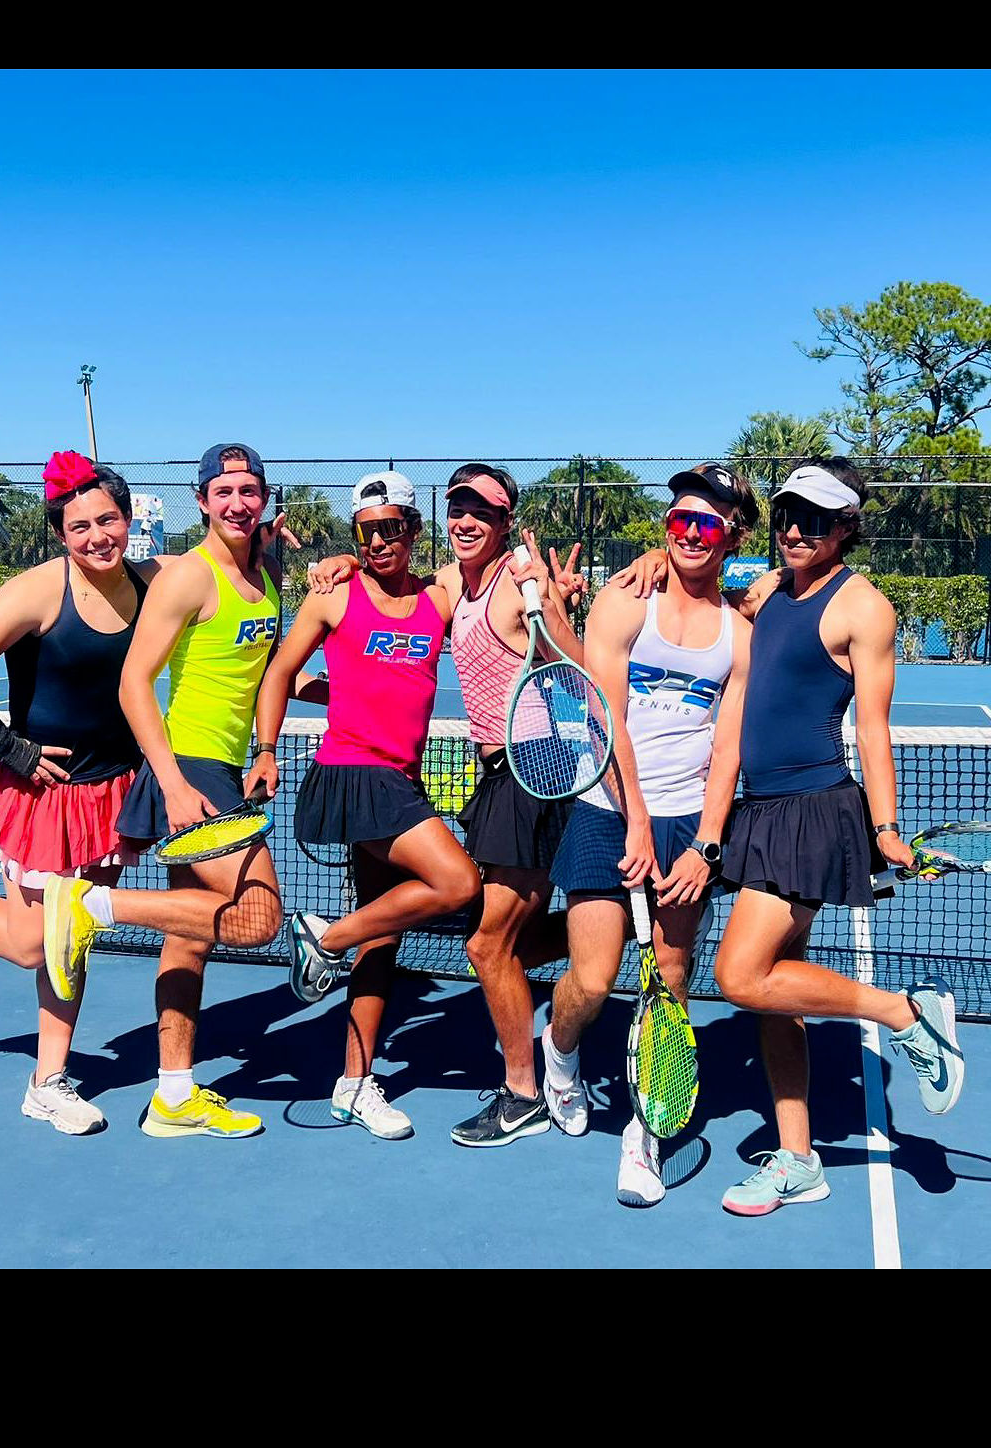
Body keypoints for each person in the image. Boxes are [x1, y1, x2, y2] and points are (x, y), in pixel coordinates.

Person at [40, 442, 320, 1142]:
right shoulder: (188, 579)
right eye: (222, 491)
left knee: (186, 943)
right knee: (259, 920)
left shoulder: (267, 570)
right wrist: (171, 784)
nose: (237, 502)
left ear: (264, 498)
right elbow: (135, 683)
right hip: (188, 768)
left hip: (226, 767)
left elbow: (257, 670)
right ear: (201, 500)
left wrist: (268, 742)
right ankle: (88, 905)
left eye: (248, 490)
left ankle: (173, 1096)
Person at [309, 462, 587, 1148]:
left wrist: (556, 610)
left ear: (505, 522)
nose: (467, 520)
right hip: (496, 773)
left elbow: (579, 677)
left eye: (483, 513)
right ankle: (590, 978)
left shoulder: (517, 583)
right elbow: (383, 584)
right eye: (459, 508)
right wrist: (343, 560)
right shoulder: (454, 583)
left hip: (534, 769)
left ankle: (524, 1090)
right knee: (504, 936)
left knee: (487, 941)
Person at [711, 459, 964, 1215]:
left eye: (816, 519)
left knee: (739, 975)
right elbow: (711, 583)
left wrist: (886, 827)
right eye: (788, 513)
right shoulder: (770, 590)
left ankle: (904, 1015)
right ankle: (797, 1158)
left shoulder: (865, 608)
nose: (795, 529)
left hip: (813, 810)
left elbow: (875, 727)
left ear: (848, 527)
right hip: (760, 809)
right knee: (775, 991)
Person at [0, 452, 163, 1134]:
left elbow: (225, 571)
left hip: (113, 793)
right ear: (60, 533)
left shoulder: (152, 580)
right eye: (78, 526)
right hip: (44, 796)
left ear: (128, 516)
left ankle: (48, 1080)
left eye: (107, 519)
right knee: (35, 943)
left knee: (69, 939)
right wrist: (6, 745)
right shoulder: (36, 591)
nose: (96, 536)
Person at [545, 463, 756, 1204]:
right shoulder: (623, 600)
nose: (691, 535)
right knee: (594, 981)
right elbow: (607, 715)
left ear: (732, 533)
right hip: (608, 811)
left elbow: (727, 747)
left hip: (685, 825)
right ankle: (559, 1050)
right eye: (679, 522)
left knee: (669, 978)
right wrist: (635, 819)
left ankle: (644, 1138)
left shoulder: (740, 632)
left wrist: (705, 845)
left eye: (707, 523)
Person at [258, 471, 484, 1140]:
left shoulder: (438, 599)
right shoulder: (334, 597)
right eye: (367, 531)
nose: (380, 540)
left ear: (415, 531)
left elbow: (493, 566)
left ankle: (355, 1084)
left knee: (381, 937)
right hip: (353, 773)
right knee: (457, 882)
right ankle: (323, 938)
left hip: (401, 778)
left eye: (393, 527)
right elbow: (279, 673)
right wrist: (267, 750)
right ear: (356, 536)